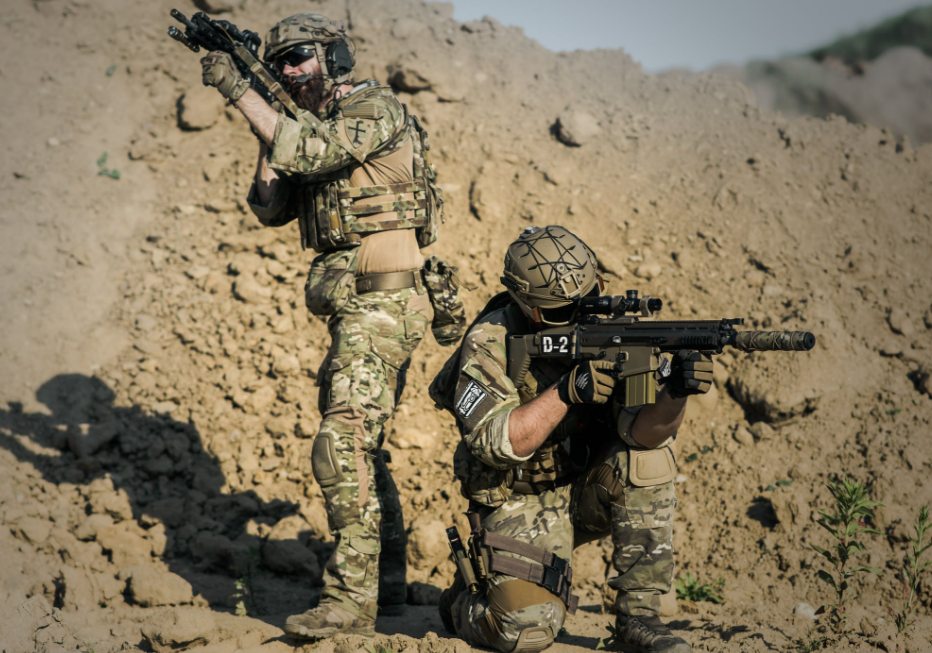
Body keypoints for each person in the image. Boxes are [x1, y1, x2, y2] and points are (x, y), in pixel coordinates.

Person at [199, 12, 459, 639]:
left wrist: (243, 91)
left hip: (386, 300)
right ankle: (387, 587)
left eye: (301, 58)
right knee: (360, 445)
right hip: (356, 306)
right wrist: (264, 118)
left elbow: (312, 151)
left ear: (334, 57)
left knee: (340, 441)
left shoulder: (373, 109)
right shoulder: (303, 124)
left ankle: (349, 602)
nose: (290, 70)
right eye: (280, 61)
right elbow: (269, 204)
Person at [436, 225, 713, 653]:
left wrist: (674, 394)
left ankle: (638, 619)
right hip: (521, 500)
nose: (583, 313)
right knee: (524, 631)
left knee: (650, 457)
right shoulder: (490, 340)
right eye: (564, 311)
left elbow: (644, 434)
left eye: (591, 295)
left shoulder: (614, 331)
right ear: (527, 307)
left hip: (587, 489)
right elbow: (496, 441)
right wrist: (567, 391)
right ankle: (461, 603)